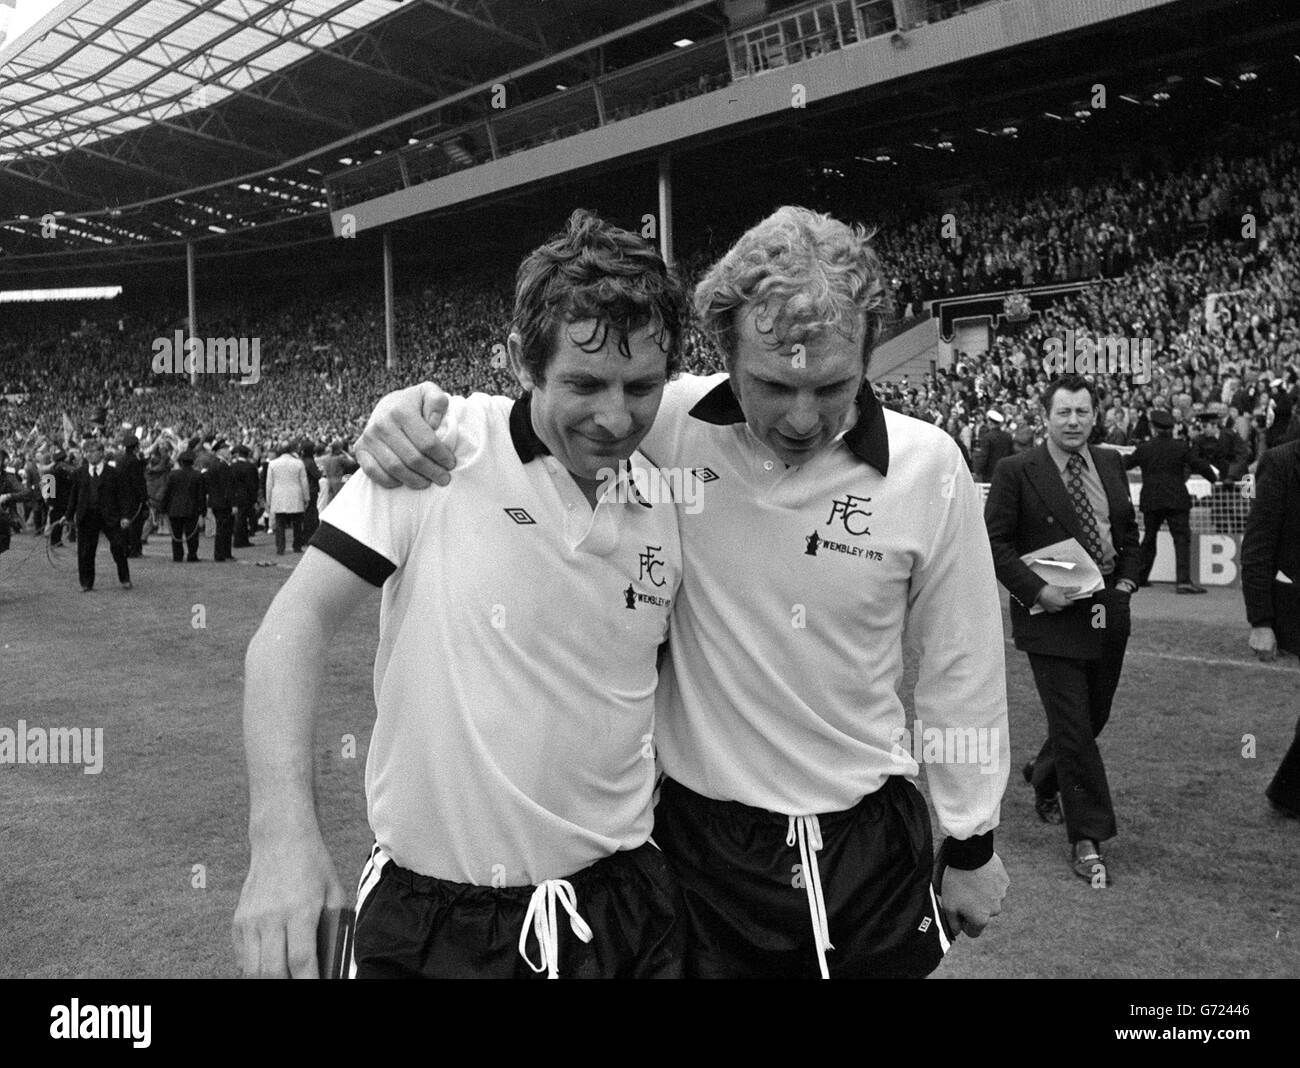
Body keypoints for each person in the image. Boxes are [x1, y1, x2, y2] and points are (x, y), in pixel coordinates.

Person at [353, 205, 1010, 978]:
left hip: (870, 843)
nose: (802, 417)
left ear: (871, 353)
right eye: (771, 384)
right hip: (702, 853)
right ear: (723, 357)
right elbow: (533, 404)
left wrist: (971, 841)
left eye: (833, 385)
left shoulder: (928, 468)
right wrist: (408, 408)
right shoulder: (659, 418)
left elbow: (960, 662)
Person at [233, 210, 689, 978]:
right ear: (521, 361)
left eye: (642, 386)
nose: (617, 417)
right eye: (583, 383)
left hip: (624, 915)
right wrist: (281, 839)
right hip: (430, 925)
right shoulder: (439, 450)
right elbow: (294, 628)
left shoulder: (671, 490)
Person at [984, 374, 1141, 888]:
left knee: (1090, 720)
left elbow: (1129, 534)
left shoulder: (1112, 462)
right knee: (1074, 729)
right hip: (1050, 617)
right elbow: (995, 541)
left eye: (1082, 412)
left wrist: (1126, 584)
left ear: (1095, 416)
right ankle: (1088, 838)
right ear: (1044, 417)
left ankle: (1043, 773)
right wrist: (1036, 591)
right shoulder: (1015, 470)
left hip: (1107, 612)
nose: (1073, 421)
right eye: (1063, 413)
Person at [1241, 436, 1300, 818]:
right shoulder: (1280, 463)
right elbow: (1258, 544)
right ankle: (1288, 794)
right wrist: (1261, 621)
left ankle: (1288, 794)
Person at [1123, 408, 1218, 593]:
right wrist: (1214, 479)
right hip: (1176, 499)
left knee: (1149, 539)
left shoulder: (1144, 448)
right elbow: (1199, 464)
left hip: (1151, 499)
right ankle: (1183, 581)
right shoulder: (1181, 446)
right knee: (1181, 540)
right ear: (1171, 428)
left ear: (1153, 427)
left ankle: (1140, 577)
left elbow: (1125, 463)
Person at [63, 438, 133, 592]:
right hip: (87, 516)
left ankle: (125, 577)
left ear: (101, 453)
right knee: (85, 551)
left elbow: (123, 496)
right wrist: (68, 516)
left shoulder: (114, 473)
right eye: (86, 452)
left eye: (92, 451)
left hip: (110, 516)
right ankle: (86, 582)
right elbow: (73, 497)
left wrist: (125, 516)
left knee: (118, 547)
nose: (89, 455)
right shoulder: (79, 473)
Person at [162, 450, 206, 563]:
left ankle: (177, 555)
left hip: (174, 508)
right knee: (192, 535)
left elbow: (167, 492)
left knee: (176, 534)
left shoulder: (173, 474)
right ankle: (192, 555)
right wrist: (203, 511)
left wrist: (163, 508)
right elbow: (201, 495)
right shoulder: (198, 475)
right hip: (192, 508)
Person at [265, 441, 308, 555]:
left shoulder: (273, 464)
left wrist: (268, 499)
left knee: (280, 524)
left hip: (278, 495)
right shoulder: (299, 463)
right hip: (295, 494)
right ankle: (297, 546)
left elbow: (269, 484)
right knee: (297, 523)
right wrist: (306, 497)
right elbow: (304, 482)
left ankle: (280, 547)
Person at [116, 433, 148, 559]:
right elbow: (138, 481)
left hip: (122, 496)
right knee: (135, 524)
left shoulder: (121, 460)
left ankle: (125, 547)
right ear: (136, 447)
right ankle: (135, 549)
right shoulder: (134, 461)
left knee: (124, 523)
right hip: (133, 497)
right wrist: (143, 496)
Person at [205, 440, 237, 562]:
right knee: (223, 529)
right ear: (221, 451)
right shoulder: (222, 466)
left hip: (217, 501)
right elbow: (227, 486)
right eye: (227, 450)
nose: (229, 452)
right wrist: (233, 503)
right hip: (223, 502)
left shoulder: (215, 464)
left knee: (223, 528)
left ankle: (224, 553)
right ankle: (222, 554)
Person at [231, 444, 260, 548]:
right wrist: (255, 499)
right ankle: (242, 540)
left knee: (239, 518)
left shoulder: (232, 466)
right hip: (246, 495)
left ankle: (240, 539)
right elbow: (253, 484)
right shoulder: (250, 467)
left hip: (235, 495)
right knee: (243, 518)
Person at [974, 409, 1013, 482]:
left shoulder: (987, 437)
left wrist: (977, 471)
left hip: (990, 473)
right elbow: (1011, 453)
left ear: (990, 422)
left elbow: (984, 456)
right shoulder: (1008, 436)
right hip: (1005, 471)